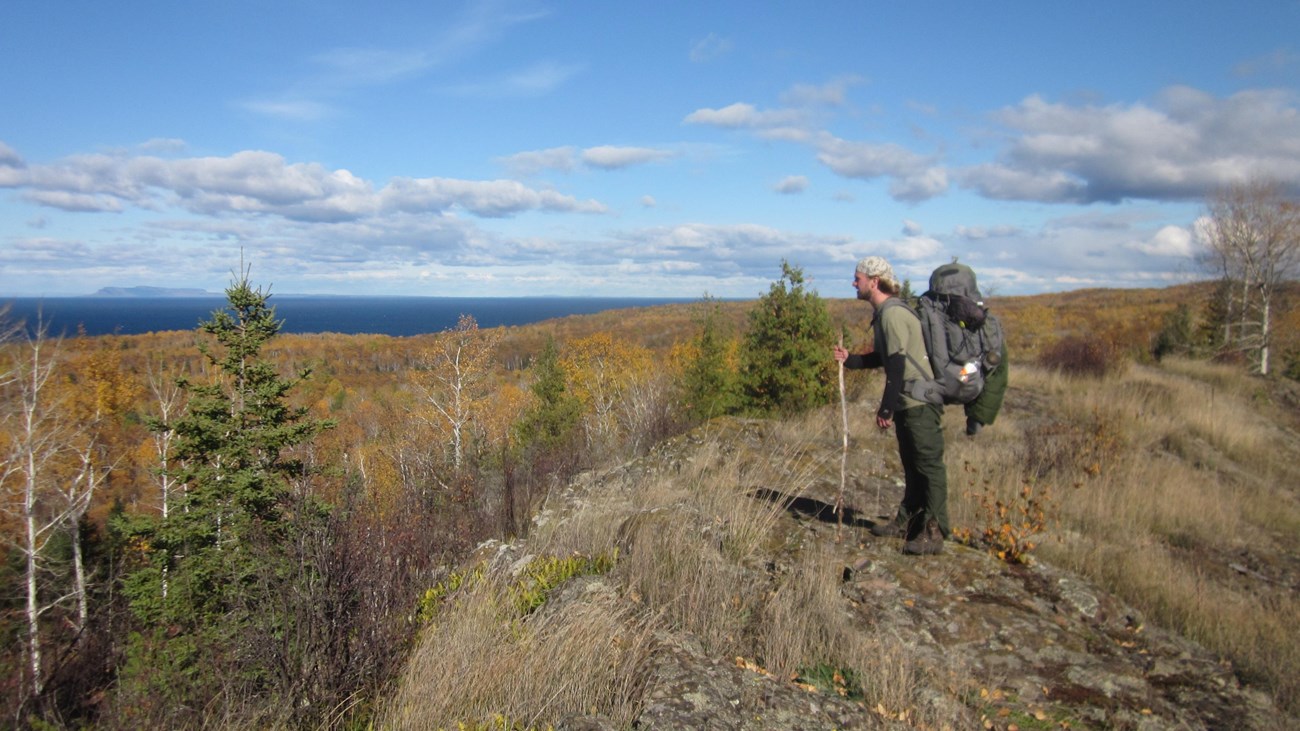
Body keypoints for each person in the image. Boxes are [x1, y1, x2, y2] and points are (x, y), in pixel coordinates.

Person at [832, 256, 948, 555]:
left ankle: (934, 533)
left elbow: (896, 365)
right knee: (912, 465)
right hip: (911, 402)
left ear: (874, 280)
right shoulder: (885, 313)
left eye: (857, 278)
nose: (853, 283)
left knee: (927, 467)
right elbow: (884, 358)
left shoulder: (892, 315)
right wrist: (851, 359)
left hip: (918, 403)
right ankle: (907, 523)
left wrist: (886, 408)